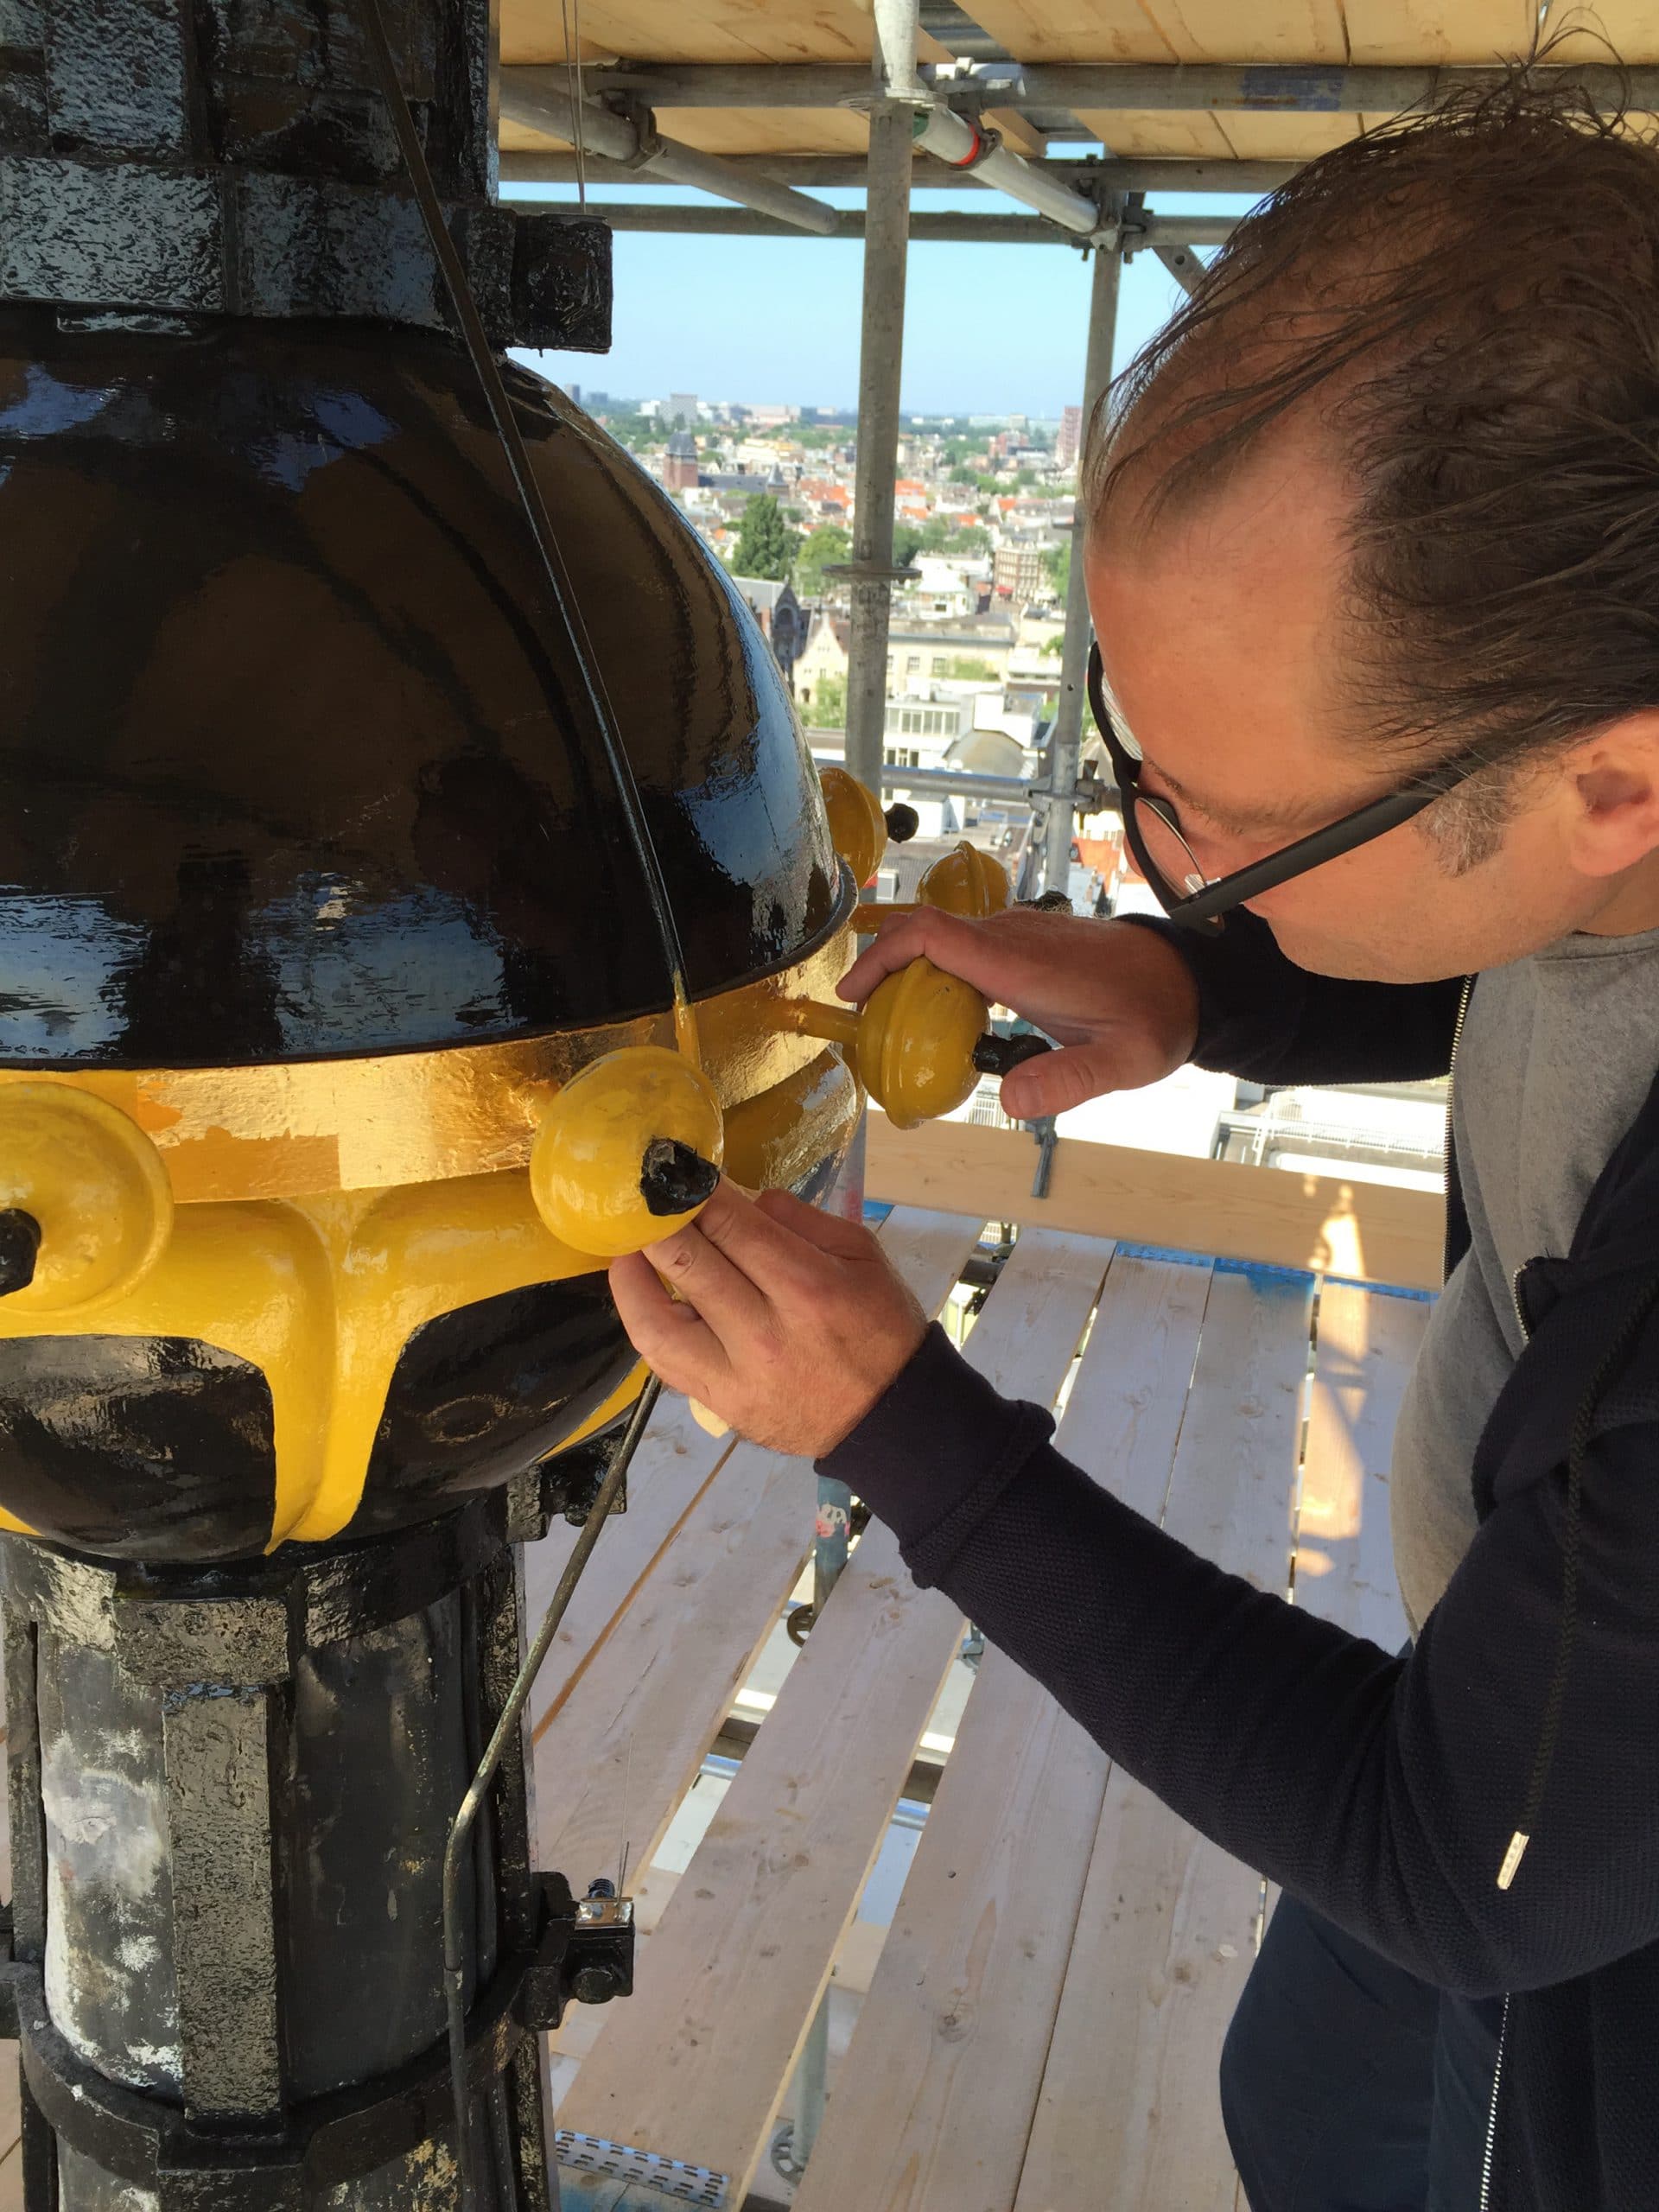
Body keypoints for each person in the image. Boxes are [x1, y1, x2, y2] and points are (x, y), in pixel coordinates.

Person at [608, 79, 1659, 2212]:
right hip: (1523, 1711)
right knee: (1309, 2101)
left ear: (1615, 778)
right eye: (1133, 741)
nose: (1147, 844)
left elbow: (1460, 1863)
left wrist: (908, 1425)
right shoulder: (1596, 818)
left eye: (1228, 819)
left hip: (1582, 1928)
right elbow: (1532, 948)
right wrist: (1207, 983)